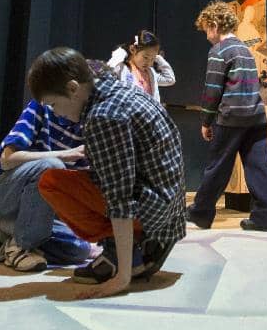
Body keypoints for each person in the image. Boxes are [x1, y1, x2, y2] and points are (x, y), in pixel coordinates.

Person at [32, 48, 186, 299]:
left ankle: (127, 253)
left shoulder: (103, 116)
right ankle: (135, 245)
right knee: (77, 179)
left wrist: (121, 278)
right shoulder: (113, 89)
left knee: (51, 182)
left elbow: (120, 198)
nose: (55, 113)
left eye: (54, 104)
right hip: (168, 209)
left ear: (73, 88)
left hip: (153, 216)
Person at [187, 0, 267, 231]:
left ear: (215, 25)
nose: (207, 35)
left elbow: (212, 91)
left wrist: (206, 121)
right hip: (256, 117)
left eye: (207, 28)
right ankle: (265, 218)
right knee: (259, 166)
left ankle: (200, 213)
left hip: (232, 117)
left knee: (217, 166)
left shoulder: (219, 51)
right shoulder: (245, 50)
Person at [0, 98, 93, 272]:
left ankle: (4, 230)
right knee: (52, 167)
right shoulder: (42, 105)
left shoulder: (90, 122)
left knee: (80, 248)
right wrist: (65, 154)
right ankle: (21, 246)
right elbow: (7, 160)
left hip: (39, 205)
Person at [107, 29, 176, 102]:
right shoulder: (122, 68)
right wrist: (119, 55)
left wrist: (158, 58)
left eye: (152, 59)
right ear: (132, 49)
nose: (149, 63)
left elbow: (170, 79)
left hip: (149, 111)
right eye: (145, 57)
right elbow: (105, 74)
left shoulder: (151, 72)